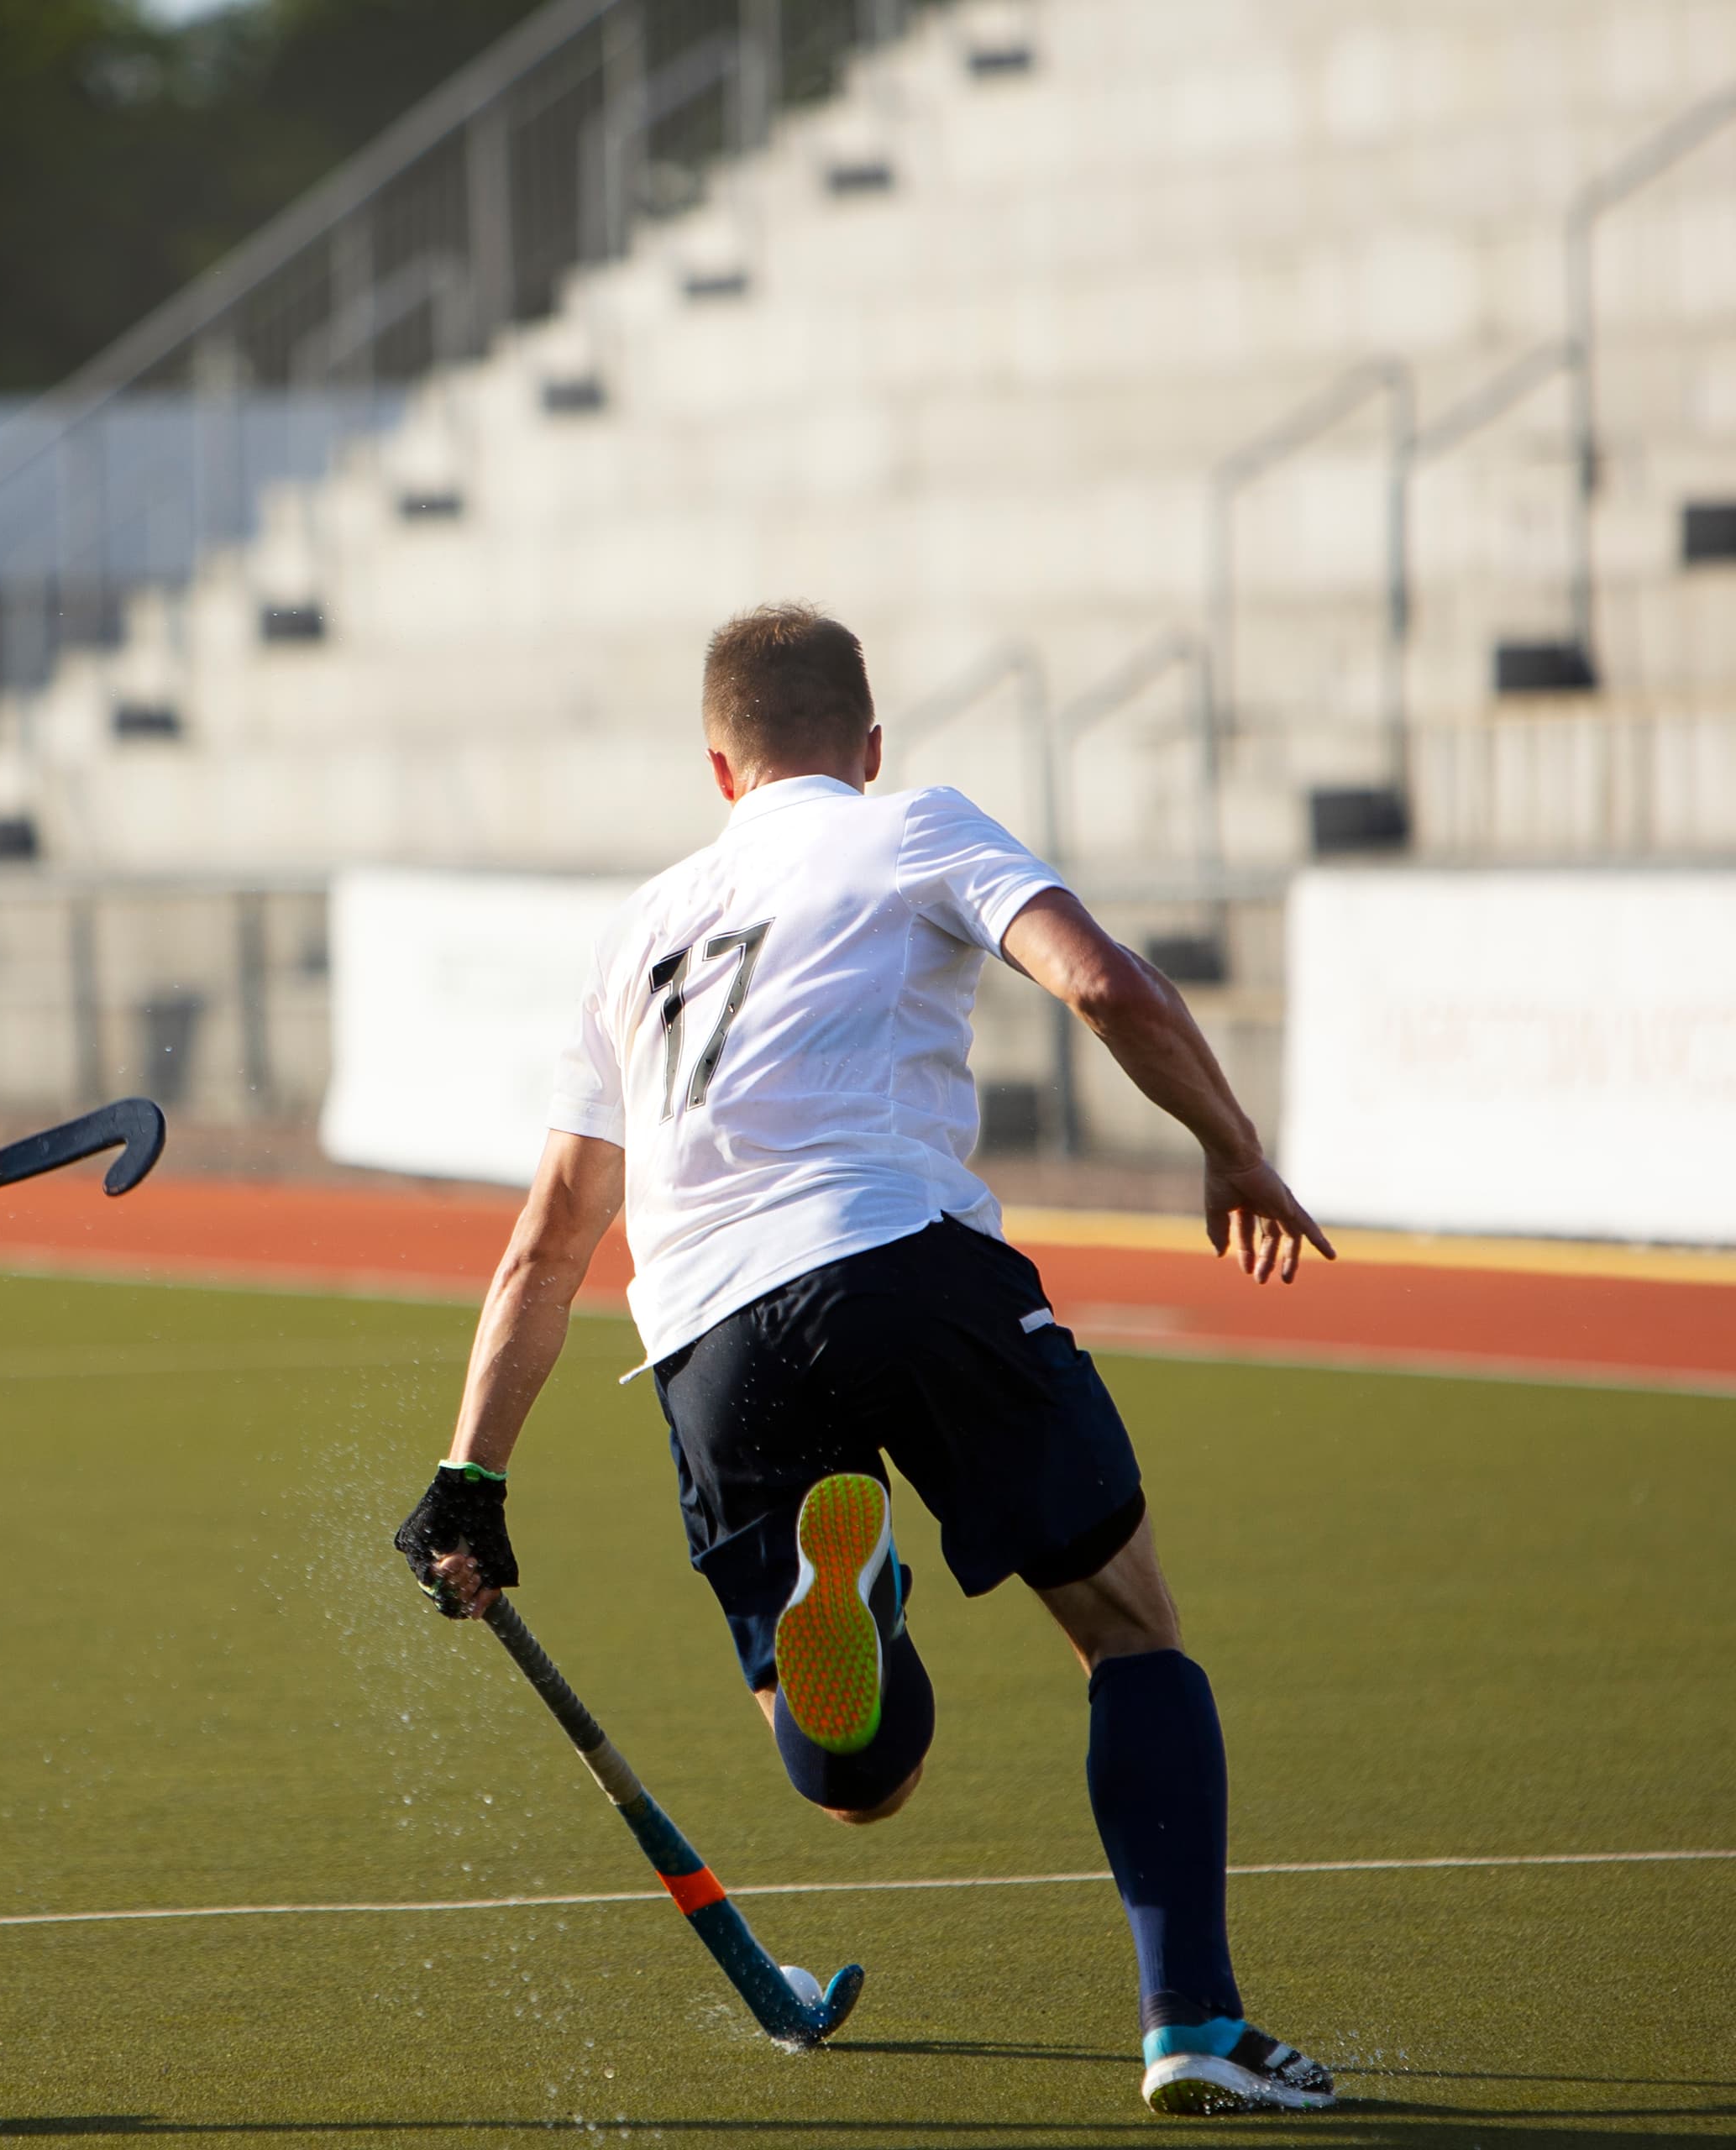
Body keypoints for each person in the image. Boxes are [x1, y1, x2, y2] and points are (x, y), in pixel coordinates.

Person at [392, 603, 1340, 2117]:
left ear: (720, 769)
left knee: (857, 1784)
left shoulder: (639, 932)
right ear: (873, 744)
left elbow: (548, 1246)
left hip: (706, 1337)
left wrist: (471, 1477)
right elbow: (1104, 982)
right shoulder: (915, 826)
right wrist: (1232, 1147)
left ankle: (859, 1602)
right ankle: (1194, 2022)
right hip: (899, 1257)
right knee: (1130, 1632)